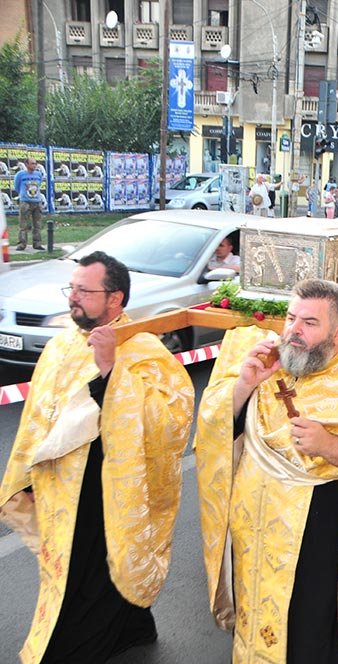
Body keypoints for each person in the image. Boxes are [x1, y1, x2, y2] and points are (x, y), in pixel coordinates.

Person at [195, 279, 338, 664]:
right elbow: (215, 434)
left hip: (317, 533)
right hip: (254, 525)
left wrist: (333, 447)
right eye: (290, 318)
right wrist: (242, 390)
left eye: (309, 323)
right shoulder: (263, 367)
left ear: (337, 334)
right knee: (255, 609)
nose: (293, 331)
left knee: (306, 626)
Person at [0, 251, 194, 662]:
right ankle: (130, 628)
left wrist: (111, 370)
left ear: (115, 299)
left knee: (96, 566)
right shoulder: (61, 344)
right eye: (71, 289)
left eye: (84, 291)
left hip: (107, 482)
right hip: (59, 483)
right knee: (70, 566)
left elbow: (171, 420)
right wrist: (29, 478)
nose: (73, 298)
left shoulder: (143, 349)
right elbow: (39, 417)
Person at [14, 157, 45, 250]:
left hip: (37, 202)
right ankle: (22, 244)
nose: (34, 165)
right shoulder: (20, 174)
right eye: (32, 163)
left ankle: (37, 243)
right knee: (23, 225)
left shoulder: (38, 174)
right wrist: (23, 195)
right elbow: (16, 186)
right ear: (26, 164)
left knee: (38, 224)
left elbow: (39, 186)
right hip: (25, 202)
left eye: (35, 163)